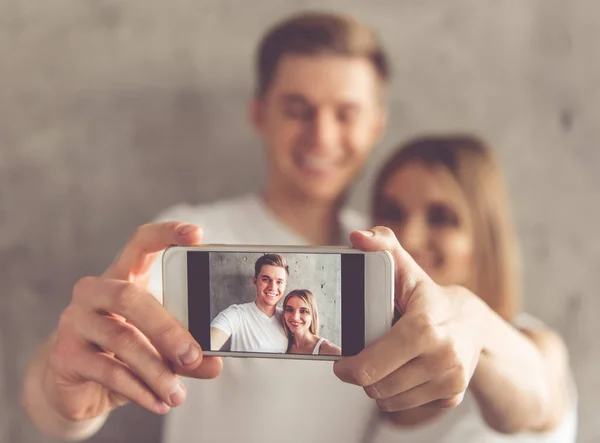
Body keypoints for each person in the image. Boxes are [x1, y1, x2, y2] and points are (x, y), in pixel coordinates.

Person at [20, 11, 391, 443]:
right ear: (260, 114)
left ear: (376, 125)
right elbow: (50, 402)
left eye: (346, 114)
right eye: (297, 110)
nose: (322, 136)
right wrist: (62, 393)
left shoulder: (392, 257)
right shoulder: (186, 236)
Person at [351, 134, 578, 442]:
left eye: (441, 217)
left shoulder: (530, 345)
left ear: (483, 236)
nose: (410, 238)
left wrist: (473, 322)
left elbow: (539, 395)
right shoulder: (371, 368)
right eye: (392, 213)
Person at [210, 254, 289, 352]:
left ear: (285, 285)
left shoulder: (288, 320)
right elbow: (208, 347)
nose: (272, 287)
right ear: (255, 280)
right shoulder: (237, 314)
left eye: (279, 282)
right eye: (265, 279)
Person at [282, 289, 342, 356]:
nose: (295, 317)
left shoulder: (329, 350)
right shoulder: (283, 345)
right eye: (290, 310)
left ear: (313, 315)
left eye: (303, 311)